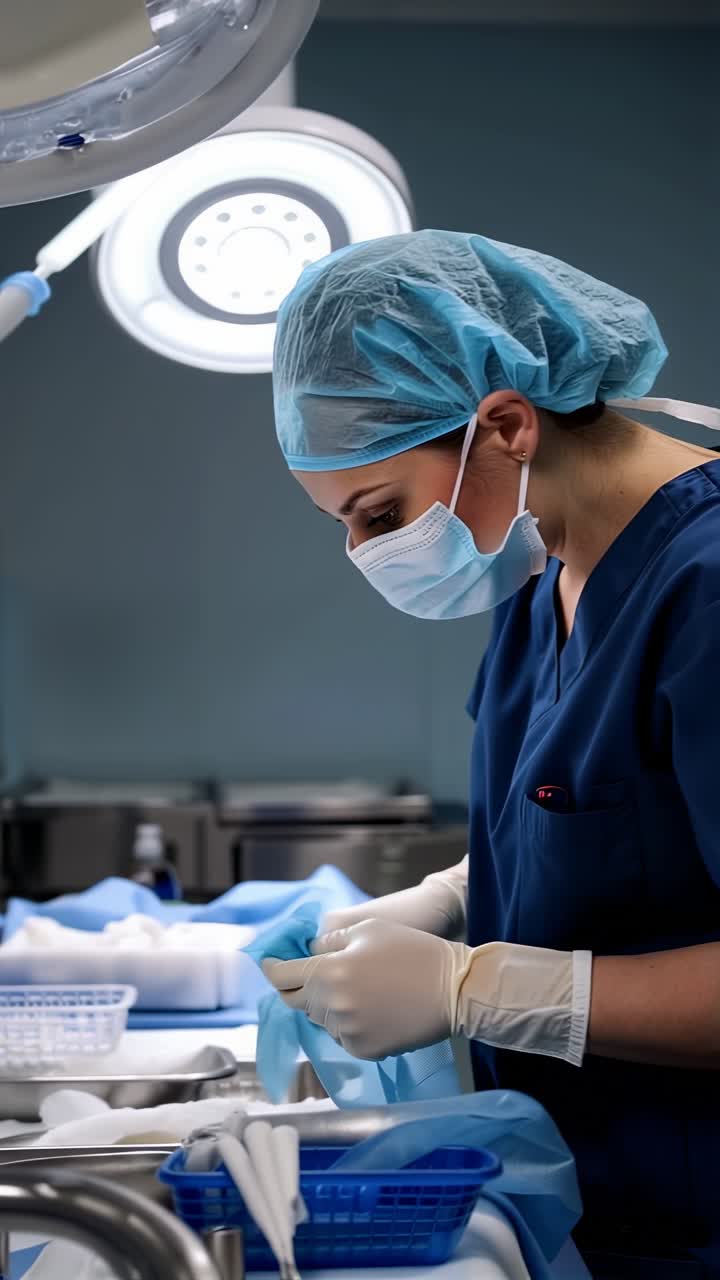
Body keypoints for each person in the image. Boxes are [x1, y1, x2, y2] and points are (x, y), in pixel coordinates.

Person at [265, 230, 720, 1276]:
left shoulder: (705, 586)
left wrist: (475, 986)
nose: (366, 552)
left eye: (377, 512)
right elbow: (610, 819)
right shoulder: (540, 569)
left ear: (506, 423)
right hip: (599, 1202)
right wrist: (453, 897)